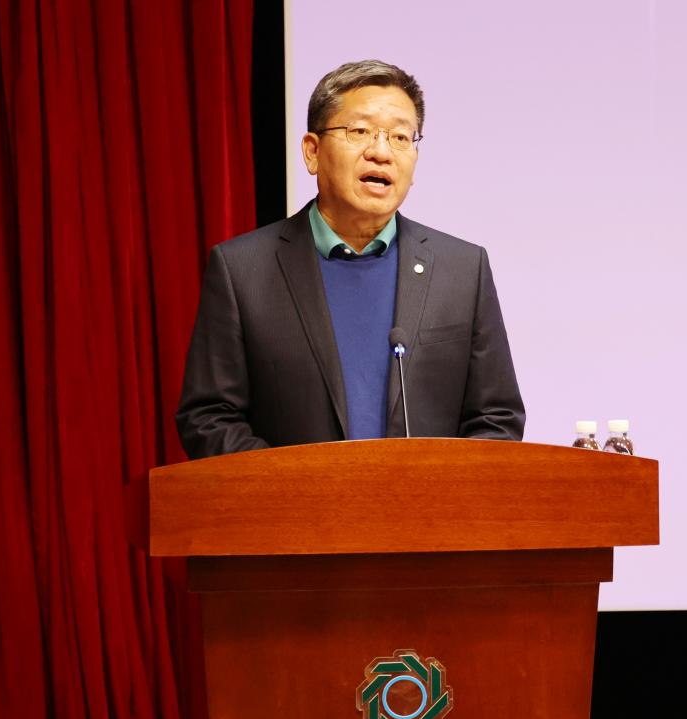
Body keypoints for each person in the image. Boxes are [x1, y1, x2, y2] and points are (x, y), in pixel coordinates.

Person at [176, 60, 524, 458]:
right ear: (312, 152)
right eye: (360, 132)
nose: (381, 152)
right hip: (294, 498)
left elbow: (496, 418)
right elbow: (209, 417)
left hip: (427, 499)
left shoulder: (462, 269)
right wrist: (294, 485)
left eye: (400, 137)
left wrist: (436, 488)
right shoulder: (242, 270)